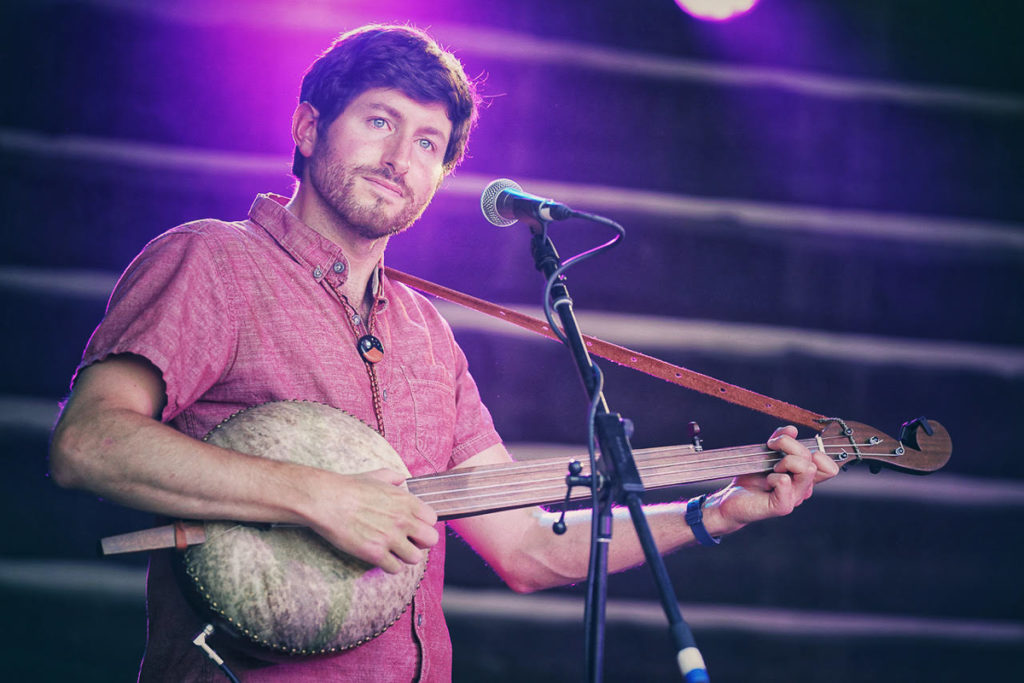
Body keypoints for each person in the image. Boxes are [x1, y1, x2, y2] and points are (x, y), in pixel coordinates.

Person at [49, 24, 839, 682]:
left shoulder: (428, 335)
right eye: (379, 121)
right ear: (307, 126)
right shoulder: (212, 262)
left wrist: (719, 510)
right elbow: (90, 442)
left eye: (429, 142)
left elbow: (528, 547)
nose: (401, 158)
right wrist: (317, 495)